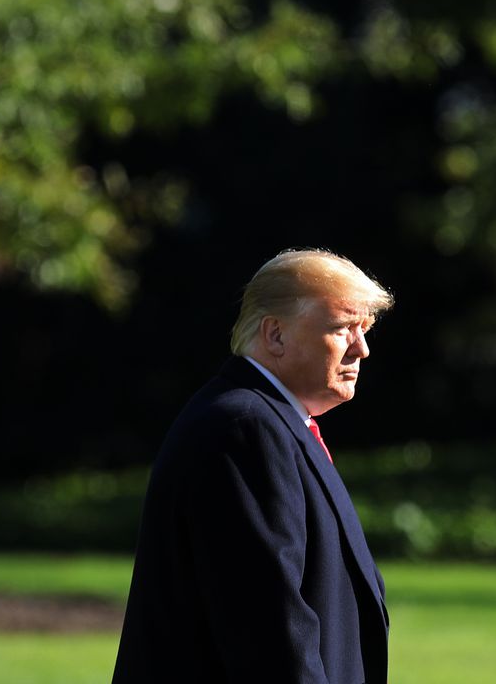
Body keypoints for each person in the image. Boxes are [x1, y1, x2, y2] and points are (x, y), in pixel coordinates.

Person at [112, 248, 394, 684]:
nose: (363, 348)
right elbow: (271, 630)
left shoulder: (266, 420)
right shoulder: (245, 428)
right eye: (343, 328)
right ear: (275, 335)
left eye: (365, 329)